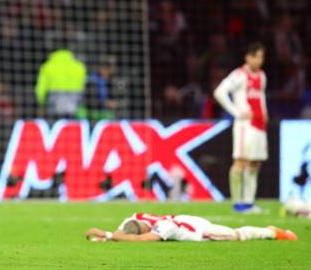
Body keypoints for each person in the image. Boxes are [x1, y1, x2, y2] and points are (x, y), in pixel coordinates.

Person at [213, 42, 267, 214]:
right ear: (248, 57)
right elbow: (219, 92)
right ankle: (237, 203)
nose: (259, 60)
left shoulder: (262, 76)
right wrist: (236, 112)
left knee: (255, 163)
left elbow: (261, 98)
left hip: (259, 126)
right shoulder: (239, 75)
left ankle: (249, 202)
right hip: (245, 126)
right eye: (256, 56)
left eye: (261, 57)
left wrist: (265, 114)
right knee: (241, 162)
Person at [85, 212, 297, 242]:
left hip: (197, 230)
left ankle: (274, 233)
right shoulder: (136, 217)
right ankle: (270, 230)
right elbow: (127, 232)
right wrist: (105, 238)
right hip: (186, 218)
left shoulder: (164, 228)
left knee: (236, 235)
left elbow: (139, 240)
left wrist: (106, 233)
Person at [35, 47, 87, 119]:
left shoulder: (47, 66)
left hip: (54, 104)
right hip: (74, 105)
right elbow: (83, 87)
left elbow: (40, 89)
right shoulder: (80, 66)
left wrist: (42, 103)